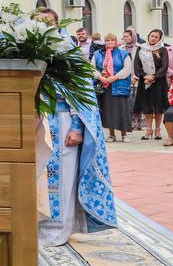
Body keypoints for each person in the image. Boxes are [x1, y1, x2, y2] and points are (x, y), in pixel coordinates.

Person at [38, 92, 117, 247]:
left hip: (61, 120)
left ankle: (57, 230)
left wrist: (76, 128)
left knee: (63, 177)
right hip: (37, 118)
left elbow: (80, 90)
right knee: (39, 174)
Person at [93, 33, 133, 142]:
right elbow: (91, 68)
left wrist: (115, 77)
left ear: (116, 42)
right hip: (105, 85)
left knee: (122, 110)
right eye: (107, 40)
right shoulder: (98, 54)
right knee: (108, 110)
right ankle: (111, 135)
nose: (110, 42)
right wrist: (100, 77)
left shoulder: (123, 53)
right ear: (104, 42)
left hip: (119, 85)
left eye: (112, 40)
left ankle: (124, 135)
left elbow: (127, 69)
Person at [133, 29, 169, 140]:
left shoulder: (162, 49)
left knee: (158, 106)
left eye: (156, 37)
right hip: (144, 82)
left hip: (159, 82)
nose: (153, 38)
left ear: (160, 39)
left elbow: (164, 66)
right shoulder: (141, 48)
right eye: (152, 36)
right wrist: (144, 76)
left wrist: (153, 77)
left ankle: (157, 129)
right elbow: (136, 65)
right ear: (148, 36)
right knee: (147, 106)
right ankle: (149, 129)